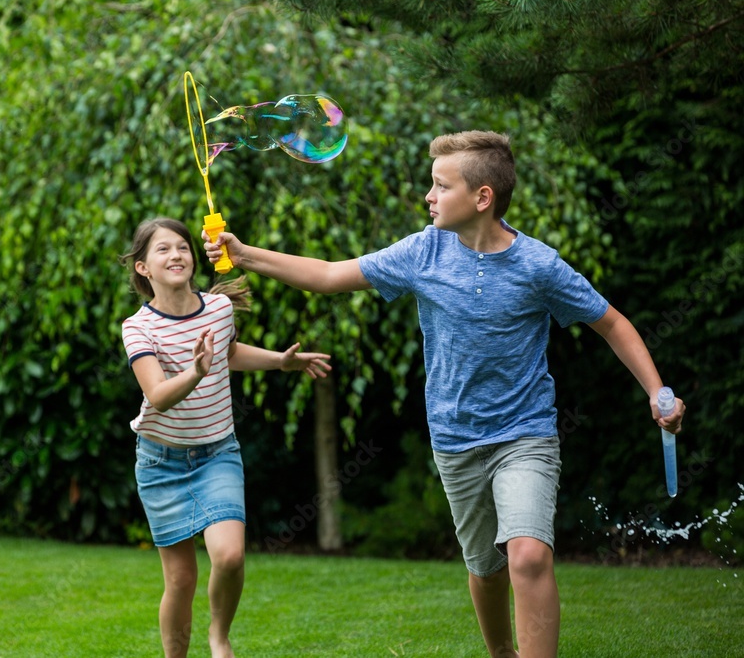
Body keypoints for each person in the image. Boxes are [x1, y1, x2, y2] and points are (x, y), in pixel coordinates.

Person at [202, 131, 686, 658]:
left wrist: (655, 390)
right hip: (455, 439)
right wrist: (244, 253)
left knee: (527, 556)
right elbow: (327, 275)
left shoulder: (538, 266)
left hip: (525, 434)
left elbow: (611, 323)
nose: (428, 197)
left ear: (482, 197)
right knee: (485, 566)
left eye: (440, 185)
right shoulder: (422, 252)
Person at [120, 217, 331, 658]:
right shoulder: (138, 327)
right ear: (143, 268)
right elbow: (158, 396)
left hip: (217, 452)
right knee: (180, 580)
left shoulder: (217, 309)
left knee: (230, 556)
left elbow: (229, 354)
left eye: (182, 246)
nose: (177, 255)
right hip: (162, 462)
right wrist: (196, 372)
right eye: (163, 250)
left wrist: (280, 362)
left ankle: (219, 635)